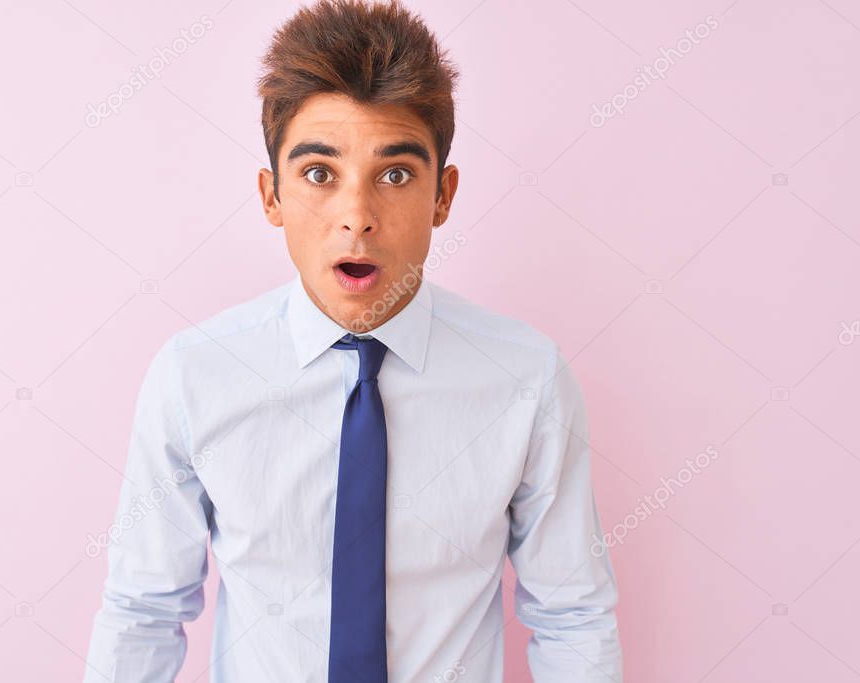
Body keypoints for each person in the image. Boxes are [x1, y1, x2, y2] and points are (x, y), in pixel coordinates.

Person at [82, 1, 623, 681]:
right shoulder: (195, 375)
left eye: (395, 174)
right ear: (271, 195)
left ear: (443, 195)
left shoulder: (526, 378)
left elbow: (572, 615)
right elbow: (143, 612)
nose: (356, 218)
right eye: (318, 174)